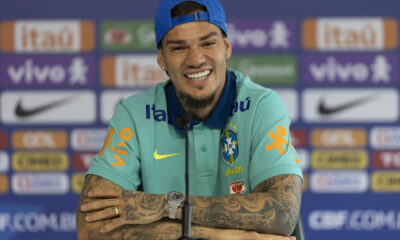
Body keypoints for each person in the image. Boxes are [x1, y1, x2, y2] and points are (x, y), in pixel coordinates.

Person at [76, 0, 303, 239]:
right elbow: (89, 228)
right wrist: (223, 235)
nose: (195, 59)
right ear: (161, 58)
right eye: (178, 48)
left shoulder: (260, 105)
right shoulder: (134, 114)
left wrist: (166, 205)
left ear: (226, 47)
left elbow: (282, 215)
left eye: (208, 43)